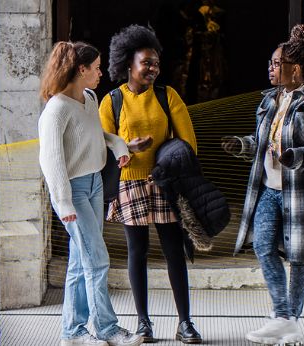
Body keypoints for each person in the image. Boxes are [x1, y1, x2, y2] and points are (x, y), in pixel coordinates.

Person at [222, 24, 304, 345]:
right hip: (269, 192)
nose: (270, 68)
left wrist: (292, 156)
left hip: (301, 195)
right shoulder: (270, 101)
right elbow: (263, 143)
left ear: (295, 69)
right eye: (272, 63)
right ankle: (284, 317)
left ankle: (287, 322)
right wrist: (242, 145)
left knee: (299, 258)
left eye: (276, 63)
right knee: (262, 247)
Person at [99, 24, 203, 344]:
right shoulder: (112, 101)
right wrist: (126, 150)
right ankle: (144, 323)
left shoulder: (167, 95)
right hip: (130, 184)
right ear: (129, 64)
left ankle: (185, 323)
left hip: (164, 183)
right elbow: (104, 146)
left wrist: (169, 163)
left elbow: (189, 144)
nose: (153, 68)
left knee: (174, 250)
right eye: (146, 62)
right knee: (137, 251)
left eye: (156, 63)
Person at [38, 41, 144, 346]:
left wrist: (117, 145)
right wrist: (63, 201)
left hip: (95, 184)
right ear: (80, 69)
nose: (101, 73)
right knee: (96, 260)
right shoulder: (56, 109)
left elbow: (94, 133)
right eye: (96, 68)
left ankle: (72, 332)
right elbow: (51, 159)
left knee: (80, 261)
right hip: (73, 191)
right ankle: (108, 329)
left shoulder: (88, 97)